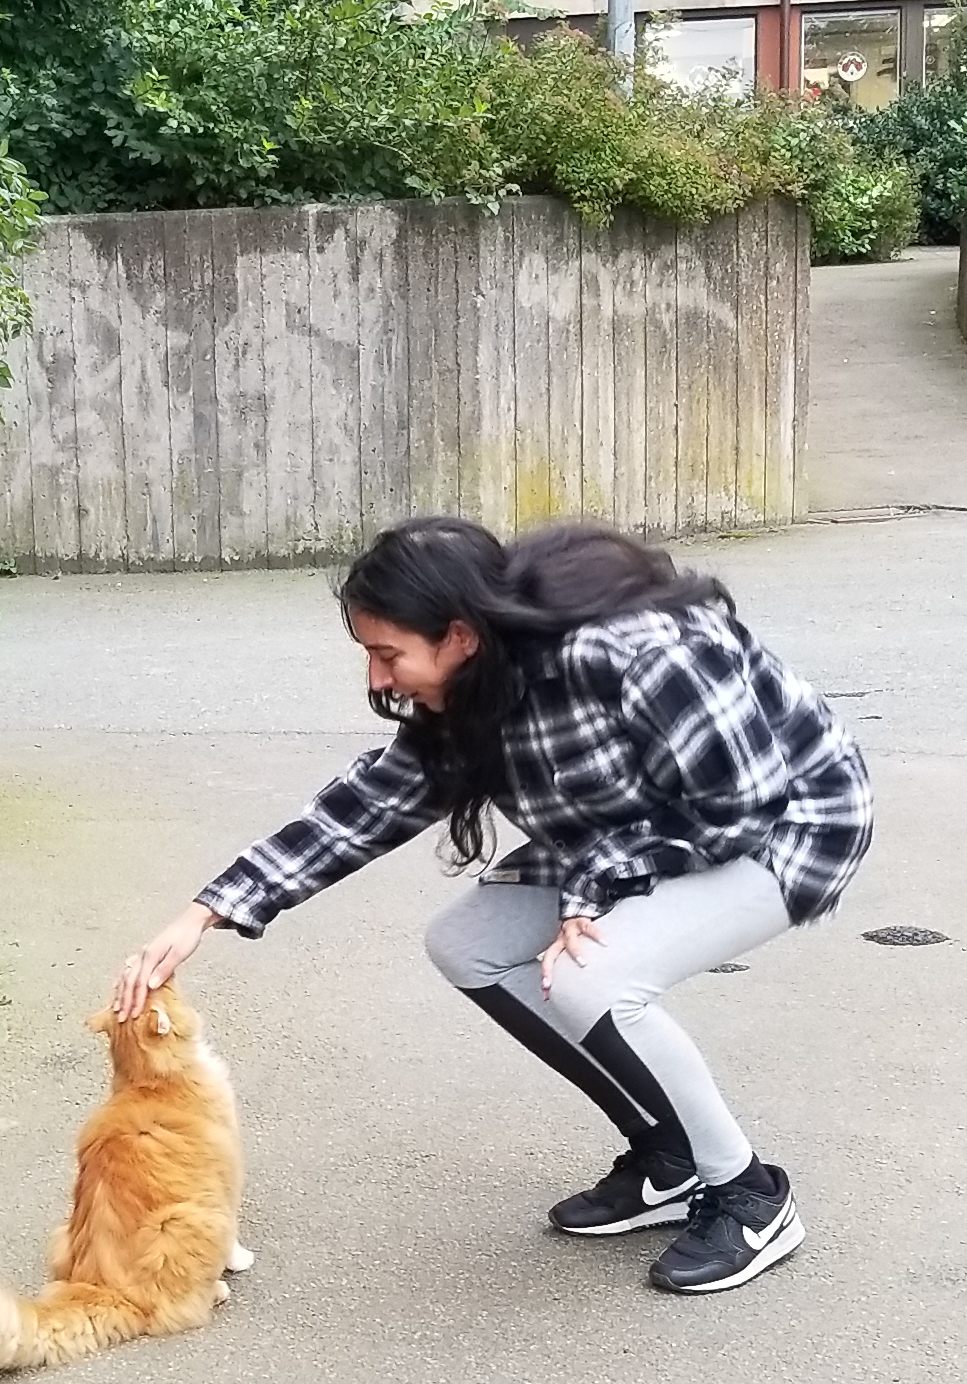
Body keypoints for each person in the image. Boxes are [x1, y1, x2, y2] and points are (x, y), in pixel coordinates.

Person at [107, 517, 874, 1295]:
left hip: (789, 828)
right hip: (631, 836)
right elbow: (365, 806)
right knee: (469, 943)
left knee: (590, 979)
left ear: (461, 637)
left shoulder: (643, 653)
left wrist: (601, 882)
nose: (378, 681)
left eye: (387, 654)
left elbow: (740, 806)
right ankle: (669, 1154)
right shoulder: (474, 694)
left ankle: (748, 1192)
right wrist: (205, 911)